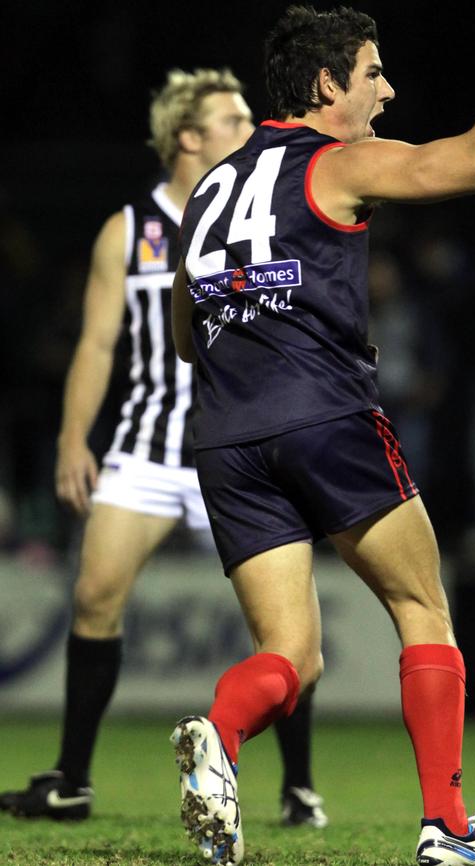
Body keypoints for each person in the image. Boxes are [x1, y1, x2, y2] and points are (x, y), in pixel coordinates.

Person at [170, 6, 475, 866]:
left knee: (290, 658)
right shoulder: (338, 164)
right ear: (325, 85)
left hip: (227, 438)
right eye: (373, 73)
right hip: (326, 417)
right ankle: (449, 833)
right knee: (423, 610)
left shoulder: (205, 193)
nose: (387, 89)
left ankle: (220, 734)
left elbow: (183, 334)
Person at [0, 67, 327, 831]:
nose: (252, 129)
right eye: (234, 118)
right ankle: (73, 781)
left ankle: (299, 786)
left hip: (240, 447)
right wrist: (73, 440)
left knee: (285, 634)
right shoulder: (130, 228)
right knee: (93, 596)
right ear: (188, 136)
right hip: (148, 449)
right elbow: (96, 344)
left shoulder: (262, 215)